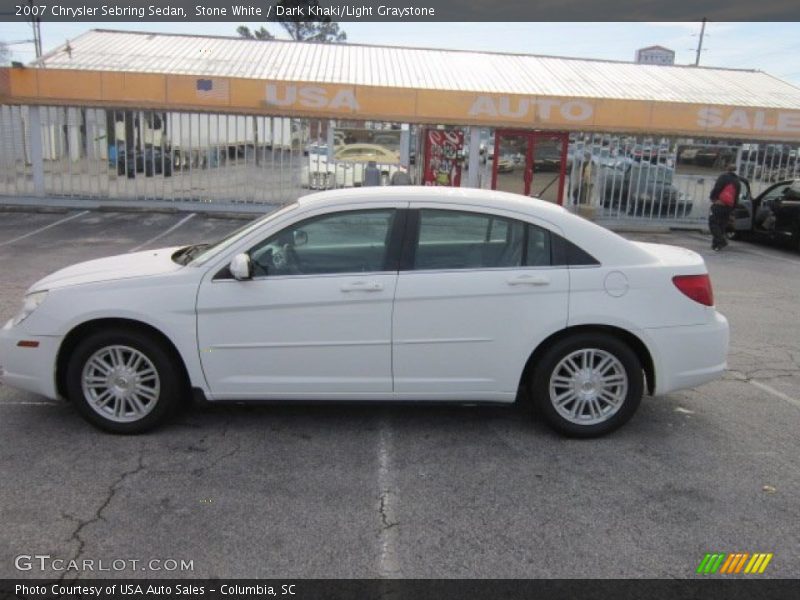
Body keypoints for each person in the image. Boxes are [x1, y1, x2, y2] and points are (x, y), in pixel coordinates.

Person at [708, 163, 741, 251]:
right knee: (722, 225)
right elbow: (736, 196)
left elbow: (717, 188)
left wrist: (713, 198)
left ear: (727, 168)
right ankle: (716, 245)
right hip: (729, 207)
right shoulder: (737, 181)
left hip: (720, 204)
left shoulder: (723, 177)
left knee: (713, 223)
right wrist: (733, 208)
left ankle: (721, 240)